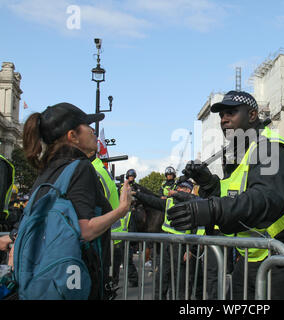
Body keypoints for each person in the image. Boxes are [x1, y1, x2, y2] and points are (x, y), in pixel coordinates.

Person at [167, 90, 284, 300]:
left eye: (231, 113)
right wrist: (208, 184)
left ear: (251, 115)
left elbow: (265, 198)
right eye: (221, 115)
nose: (224, 120)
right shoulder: (245, 152)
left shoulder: (269, 146)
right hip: (257, 254)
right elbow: (232, 193)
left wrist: (211, 209)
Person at [20, 102, 132, 299]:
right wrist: (122, 209)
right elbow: (86, 230)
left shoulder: (47, 171)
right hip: (77, 281)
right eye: (87, 126)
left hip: (43, 280)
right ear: (72, 136)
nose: (92, 131)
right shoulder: (81, 168)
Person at [133, 178, 202, 299]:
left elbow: (198, 231)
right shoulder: (169, 202)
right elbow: (152, 201)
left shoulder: (193, 205)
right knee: (161, 281)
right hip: (166, 246)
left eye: (183, 188)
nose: (179, 190)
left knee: (180, 285)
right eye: (179, 188)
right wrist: (137, 194)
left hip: (182, 248)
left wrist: (192, 249)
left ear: (189, 190)